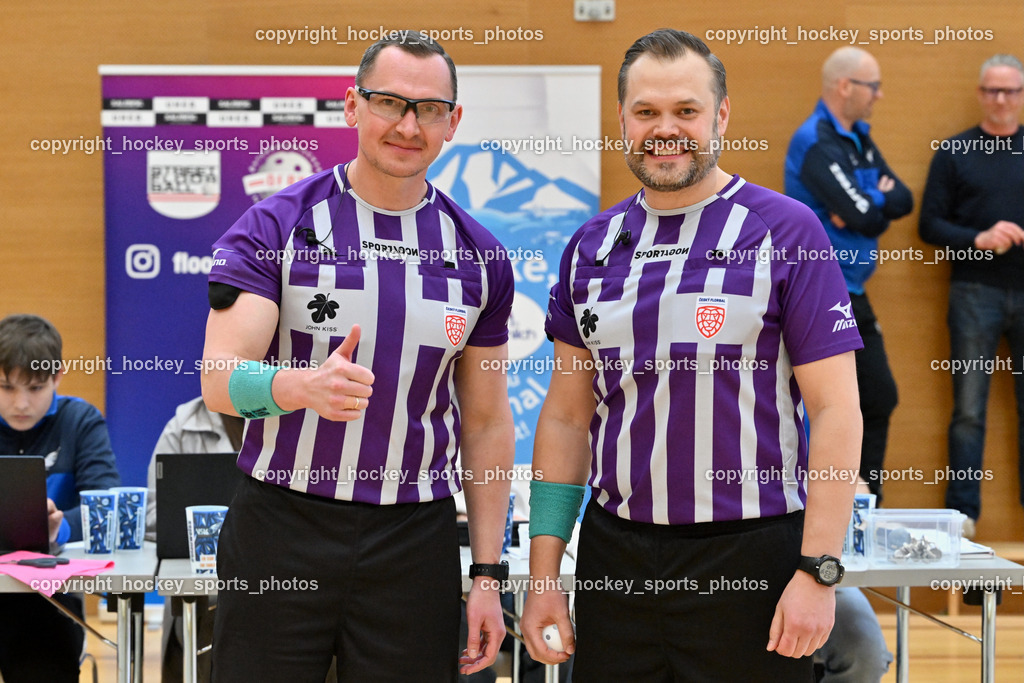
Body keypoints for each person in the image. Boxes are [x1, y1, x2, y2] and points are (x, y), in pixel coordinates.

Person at [520, 29, 863, 681]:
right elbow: (566, 419)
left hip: (751, 553)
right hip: (615, 556)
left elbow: (838, 409)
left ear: (721, 116)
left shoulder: (786, 232)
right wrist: (544, 576)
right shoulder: (590, 247)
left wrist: (819, 570)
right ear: (622, 118)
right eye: (646, 112)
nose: (665, 129)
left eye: (686, 111)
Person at [200, 31, 514, 682]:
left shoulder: (480, 256)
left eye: (428, 109)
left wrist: (486, 573)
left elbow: (485, 423)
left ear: (452, 123)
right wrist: (299, 386)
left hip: (415, 538)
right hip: (281, 525)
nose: (407, 124)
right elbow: (220, 379)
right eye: (388, 102)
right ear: (351, 107)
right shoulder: (276, 225)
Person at [784, 46, 913, 499]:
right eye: (872, 86)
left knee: (879, 398)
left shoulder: (857, 137)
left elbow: (903, 200)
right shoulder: (815, 140)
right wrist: (868, 202)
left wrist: (865, 202)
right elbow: (867, 218)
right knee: (825, 405)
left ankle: (863, 504)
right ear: (845, 86)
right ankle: (816, 508)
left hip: (854, 289)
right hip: (821, 292)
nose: (878, 95)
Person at [919, 54, 1024, 539]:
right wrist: (977, 239)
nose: (1000, 99)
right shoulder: (956, 151)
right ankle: (962, 520)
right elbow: (928, 225)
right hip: (973, 293)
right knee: (968, 410)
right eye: (992, 90)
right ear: (981, 94)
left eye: (1010, 91)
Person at [0, 313, 121, 683]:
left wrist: (61, 525)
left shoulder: (81, 420)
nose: (21, 403)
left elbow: (105, 507)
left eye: (35, 388)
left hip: (49, 604)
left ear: (57, 377)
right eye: (6, 387)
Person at [144, 395, 244, 683]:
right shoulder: (183, 425)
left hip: (287, 584)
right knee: (215, 619)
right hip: (207, 595)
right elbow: (153, 513)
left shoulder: (302, 420)